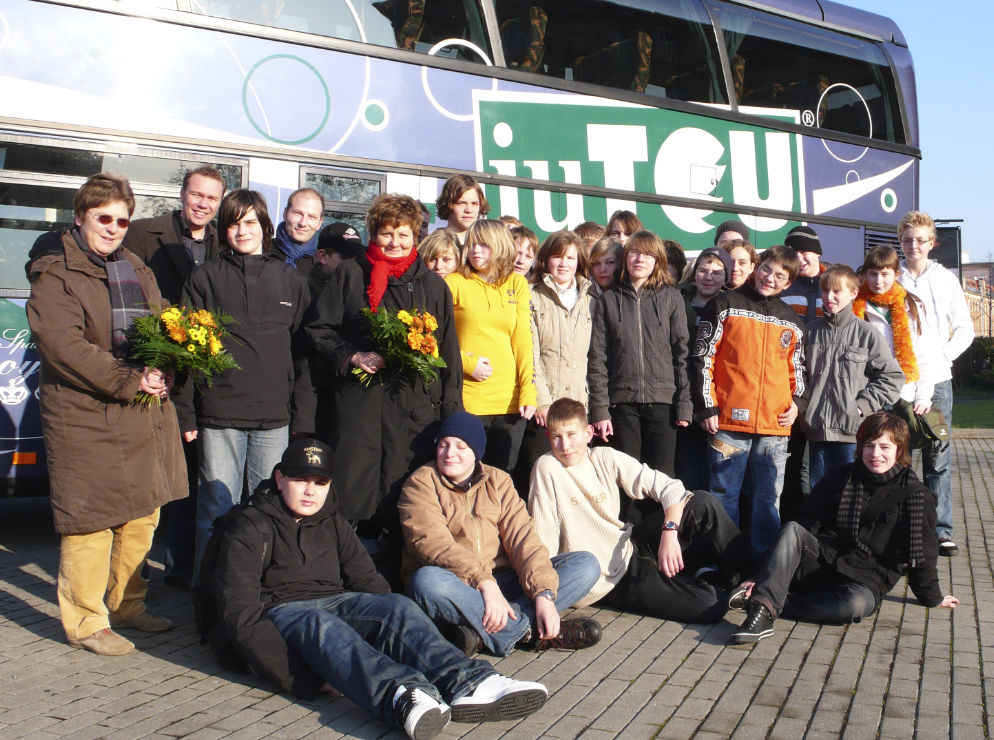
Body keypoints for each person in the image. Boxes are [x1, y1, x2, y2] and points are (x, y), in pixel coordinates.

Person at [211, 438, 549, 740]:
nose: (310, 491)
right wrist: (305, 679)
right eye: (300, 480)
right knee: (322, 625)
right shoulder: (249, 525)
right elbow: (240, 612)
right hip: (282, 611)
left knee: (396, 607)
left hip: (335, 600)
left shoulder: (332, 520)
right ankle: (402, 696)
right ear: (280, 478)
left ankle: (470, 682)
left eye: (320, 482)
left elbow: (367, 579)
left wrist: (402, 630)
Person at [26, 173, 187, 655]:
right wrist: (128, 378)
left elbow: (162, 323)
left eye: (122, 219)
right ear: (80, 218)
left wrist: (164, 369)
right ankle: (86, 621)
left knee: (142, 516)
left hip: (140, 413)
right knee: (90, 522)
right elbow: (62, 346)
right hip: (85, 414)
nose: (114, 227)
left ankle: (127, 605)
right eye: (104, 218)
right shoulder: (56, 273)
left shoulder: (135, 266)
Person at [307, 193, 462, 566]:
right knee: (353, 494)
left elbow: (447, 355)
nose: (394, 242)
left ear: (416, 237)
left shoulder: (433, 285)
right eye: (386, 234)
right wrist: (352, 356)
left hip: (413, 410)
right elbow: (318, 330)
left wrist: (452, 417)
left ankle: (402, 577)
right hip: (360, 406)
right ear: (373, 234)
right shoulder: (350, 274)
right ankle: (343, 572)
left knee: (406, 497)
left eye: (404, 235)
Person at [728, 412, 958, 644]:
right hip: (824, 560)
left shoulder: (916, 495)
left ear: (899, 450)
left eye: (884, 447)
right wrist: (760, 576)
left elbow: (924, 554)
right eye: (869, 446)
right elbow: (806, 524)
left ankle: (775, 602)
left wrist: (932, 597)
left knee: (853, 606)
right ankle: (762, 610)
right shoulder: (841, 477)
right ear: (860, 447)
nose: (875, 454)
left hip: (866, 578)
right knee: (792, 530)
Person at [177, 189, 312, 575]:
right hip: (219, 416)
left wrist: (302, 419)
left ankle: (259, 594)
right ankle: (208, 599)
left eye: (250, 222)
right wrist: (186, 414)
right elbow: (186, 350)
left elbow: (302, 355)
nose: (242, 231)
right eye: (233, 223)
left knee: (268, 509)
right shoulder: (204, 278)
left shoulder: (288, 279)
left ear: (265, 227)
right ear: (224, 230)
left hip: (274, 419)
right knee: (216, 511)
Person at [400, 412, 602, 658]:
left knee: (586, 564)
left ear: (476, 452)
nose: (449, 453)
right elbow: (434, 545)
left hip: (504, 582)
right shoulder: (421, 483)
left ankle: (485, 631)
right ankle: (530, 633)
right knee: (426, 581)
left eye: (461, 446)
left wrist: (543, 594)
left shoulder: (498, 481)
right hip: (458, 585)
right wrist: (484, 583)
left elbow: (523, 539)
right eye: (443, 445)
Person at [528, 399, 748, 623]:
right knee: (710, 607)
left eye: (571, 434)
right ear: (548, 438)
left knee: (703, 502)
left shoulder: (604, 457)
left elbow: (670, 487)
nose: (565, 445)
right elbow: (543, 540)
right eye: (557, 437)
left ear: (588, 433)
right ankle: (706, 579)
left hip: (630, 545)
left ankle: (749, 584)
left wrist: (669, 531)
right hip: (608, 582)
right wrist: (545, 595)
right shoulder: (547, 468)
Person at [122, 165, 226, 590]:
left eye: (211, 198)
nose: (202, 204)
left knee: (189, 477)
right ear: (182, 194)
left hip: (199, 379)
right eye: (196, 195)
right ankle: (130, 574)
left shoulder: (226, 241)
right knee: (145, 476)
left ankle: (182, 567)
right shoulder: (143, 234)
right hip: (154, 370)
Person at [689, 245, 807, 561]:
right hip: (727, 423)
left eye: (779, 275)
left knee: (768, 499)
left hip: (775, 426)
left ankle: (763, 568)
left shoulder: (792, 320)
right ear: (757, 268)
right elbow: (702, 358)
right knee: (724, 496)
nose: (770, 278)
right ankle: (725, 563)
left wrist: (798, 403)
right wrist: (706, 407)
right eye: (766, 269)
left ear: (788, 283)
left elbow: (798, 369)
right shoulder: (724, 304)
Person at [587, 230, 692, 523]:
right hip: (623, 406)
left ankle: (662, 548)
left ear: (657, 260)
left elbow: (681, 354)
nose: (640, 259)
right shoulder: (608, 300)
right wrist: (600, 409)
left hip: (663, 403)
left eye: (647, 254)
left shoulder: (672, 298)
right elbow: (597, 358)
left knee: (662, 481)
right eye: (634, 252)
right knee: (628, 484)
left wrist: (684, 403)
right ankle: (631, 557)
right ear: (625, 257)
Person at [897, 211, 975, 556]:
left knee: (937, 458)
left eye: (920, 240)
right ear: (900, 242)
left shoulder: (945, 280)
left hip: (938, 382)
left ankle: (941, 530)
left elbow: (965, 329)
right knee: (898, 457)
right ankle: (899, 527)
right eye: (907, 239)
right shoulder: (890, 278)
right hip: (898, 384)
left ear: (932, 243)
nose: (914, 245)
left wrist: (943, 357)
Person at [445, 219, 536, 472]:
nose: (475, 250)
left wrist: (528, 390)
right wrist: (466, 363)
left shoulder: (517, 284)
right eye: (472, 244)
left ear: (500, 246)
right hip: (468, 400)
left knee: (501, 480)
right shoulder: (453, 282)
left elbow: (522, 340)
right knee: (465, 476)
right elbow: (436, 340)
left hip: (510, 403)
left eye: (484, 245)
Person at [803, 264, 903, 488]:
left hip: (852, 434)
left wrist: (861, 407)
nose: (830, 297)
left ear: (853, 293)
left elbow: (892, 377)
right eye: (826, 290)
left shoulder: (867, 333)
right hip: (816, 433)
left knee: (851, 494)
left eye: (837, 291)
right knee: (818, 495)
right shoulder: (810, 331)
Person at [516, 230, 594, 493]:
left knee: (575, 485)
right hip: (544, 409)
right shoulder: (531, 294)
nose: (564, 264)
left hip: (579, 408)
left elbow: (595, 357)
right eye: (557, 257)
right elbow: (531, 352)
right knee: (541, 483)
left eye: (571, 258)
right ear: (546, 260)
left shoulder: (592, 299)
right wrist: (542, 401)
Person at [780, 225, 828, 518]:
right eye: (793, 251)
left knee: (823, 462)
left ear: (818, 253)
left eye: (805, 250)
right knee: (792, 461)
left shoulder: (831, 283)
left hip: (824, 387)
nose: (800, 257)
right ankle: (792, 521)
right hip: (790, 387)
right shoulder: (785, 286)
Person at [676, 247, 734, 490]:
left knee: (719, 475)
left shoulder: (731, 307)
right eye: (703, 270)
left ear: (727, 277)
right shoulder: (678, 301)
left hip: (718, 402)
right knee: (687, 471)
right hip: (683, 397)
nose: (708, 277)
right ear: (694, 273)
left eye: (716, 272)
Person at [853, 246, 934, 420]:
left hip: (904, 395)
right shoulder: (855, 305)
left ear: (896, 274)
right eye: (873, 274)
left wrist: (923, 396)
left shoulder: (911, 306)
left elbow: (923, 355)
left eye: (885, 274)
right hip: (867, 395)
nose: (878, 280)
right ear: (865, 274)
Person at [273, 188, 325, 269]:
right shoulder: (261, 254)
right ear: (285, 214)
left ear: (319, 223)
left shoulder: (324, 266)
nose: (303, 223)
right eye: (298, 214)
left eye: (311, 217)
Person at [436, 174, 488, 245]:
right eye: (461, 203)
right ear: (447, 204)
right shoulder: (433, 244)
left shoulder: (488, 245)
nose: (469, 210)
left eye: (474, 204)